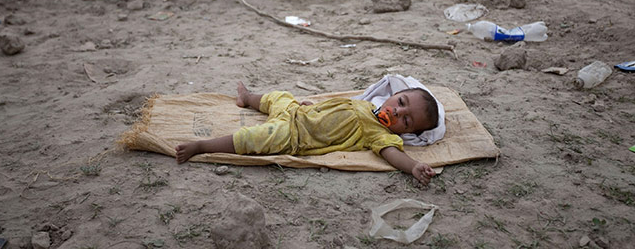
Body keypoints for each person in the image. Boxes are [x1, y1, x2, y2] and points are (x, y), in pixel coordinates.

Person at [175, 81, 440, 185]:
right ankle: (247, 97)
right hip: (296, 113)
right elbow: (335, 108)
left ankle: (202, 146)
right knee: (279, 97)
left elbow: (392, 154)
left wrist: (413, 166)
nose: (397, 113)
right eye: (401, 104)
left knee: (252, 138)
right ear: (394, 95)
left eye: (406, 122)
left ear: (407, 133)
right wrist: (314, 107)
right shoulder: (366, 105)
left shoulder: (380, 134)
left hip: (293, 135)